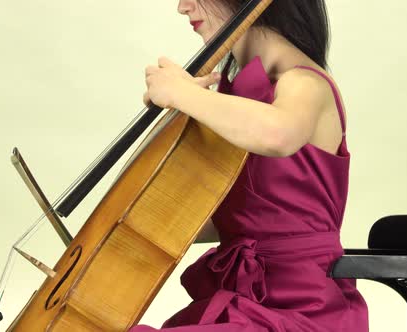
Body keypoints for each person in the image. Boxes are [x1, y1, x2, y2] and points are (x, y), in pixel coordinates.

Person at [131, 0, 369, 331]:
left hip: (305, 310)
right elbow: (219, 216)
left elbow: (277, 134)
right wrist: (167, 122)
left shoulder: (305, 82)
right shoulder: (233, 100)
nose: (182, 7)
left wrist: (184, 95)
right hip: (241, 303)